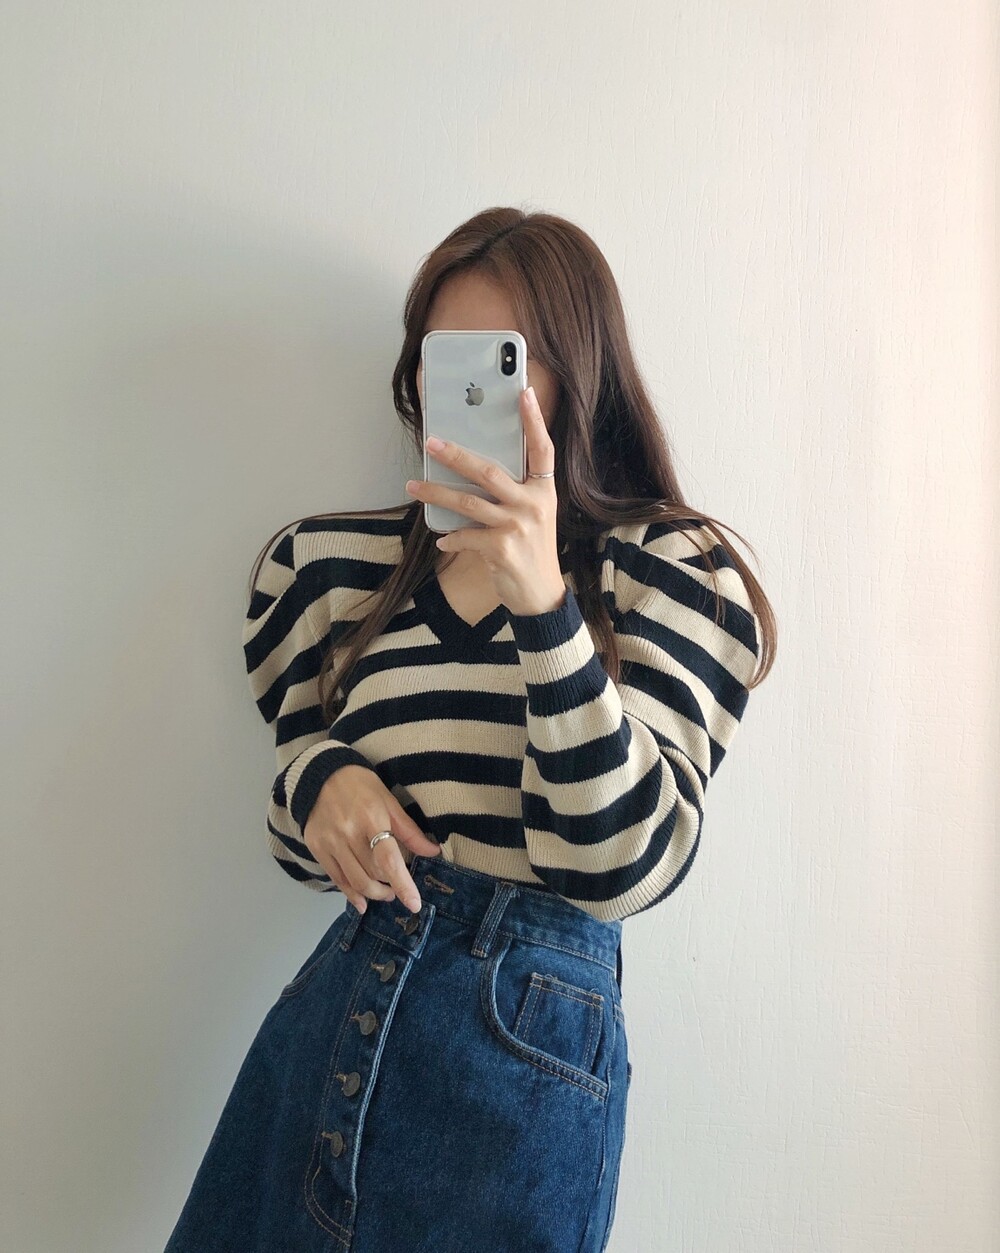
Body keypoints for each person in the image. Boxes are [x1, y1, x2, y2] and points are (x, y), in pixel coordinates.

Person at [164, 206, 776, 1253]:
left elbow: (619, 865)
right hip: (334, 1015)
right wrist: (320, 779)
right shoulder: (332, 574)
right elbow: (298, 837)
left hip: (518, 1052)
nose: (474, 393)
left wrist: (543, 604)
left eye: (508, 361)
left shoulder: (671, 571)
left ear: (578, 375)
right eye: (445, 359)